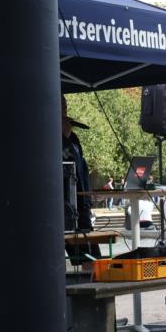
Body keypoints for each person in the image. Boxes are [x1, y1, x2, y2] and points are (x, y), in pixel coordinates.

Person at [61, 95, 93, 232]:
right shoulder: (47, 136)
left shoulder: (74, 138)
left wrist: (87, 199)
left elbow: (82, 168)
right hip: (64, 205)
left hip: (81, 203)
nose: (64, 112)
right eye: (61, 108)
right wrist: (63, 138)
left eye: (65, 107)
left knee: (92, 250)